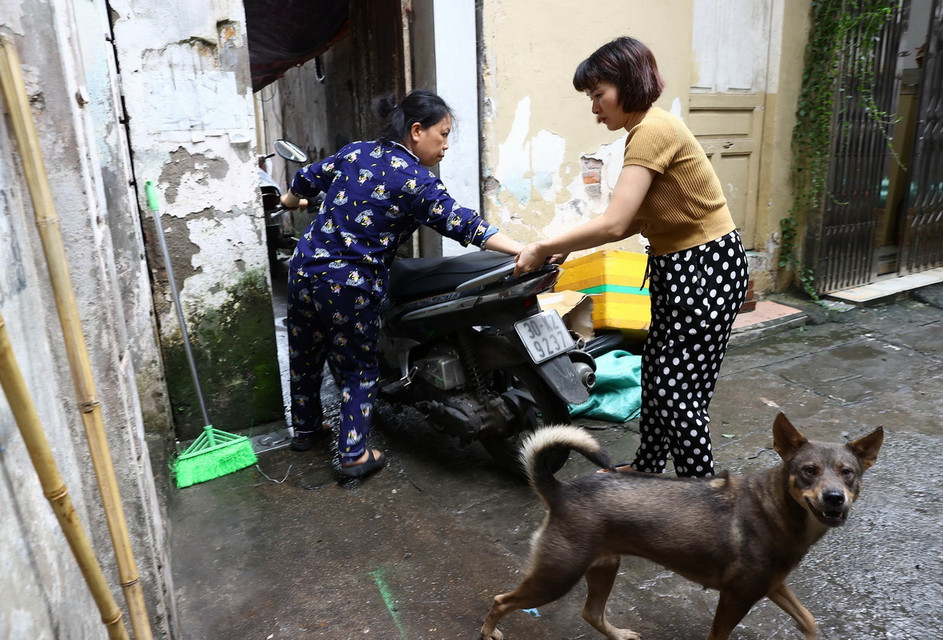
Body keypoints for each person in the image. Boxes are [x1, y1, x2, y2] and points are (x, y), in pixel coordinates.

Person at [514, 37, 748, 478]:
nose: (594, 107)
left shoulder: (652, 131)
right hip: (685, 268)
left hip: (702, 269)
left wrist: (542, 247)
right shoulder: (646, 131)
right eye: (591, 97)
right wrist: (562, 248)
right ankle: (646, 470)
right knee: (658, 381)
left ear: (628, 85)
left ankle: (703, 501)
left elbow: (617, 222)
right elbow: (637, 217)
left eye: (598, 95)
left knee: (679, 394)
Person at [280, 89, 524, 479]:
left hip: (305, 270)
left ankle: (306, 430)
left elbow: (306, 178)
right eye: (442, 134)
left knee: (305, 355)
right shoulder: (417, 182)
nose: (446, 145)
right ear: (416, 131)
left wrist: (292, 201)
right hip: (349, 284)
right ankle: (354, 455)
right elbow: (464, 223)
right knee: (359, 367)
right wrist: (522, 250)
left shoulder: (356, 152)